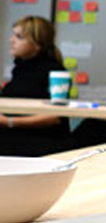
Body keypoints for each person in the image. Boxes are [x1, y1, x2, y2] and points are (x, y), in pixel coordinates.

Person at [0, 16, 70, 155]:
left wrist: (9, 121)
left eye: (19, 37)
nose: (11, 40)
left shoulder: (54, 72)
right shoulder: (20, 67)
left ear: (37, 44)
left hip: (39, 139)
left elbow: (55, 118)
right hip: (17, 135)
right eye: (13, 35)